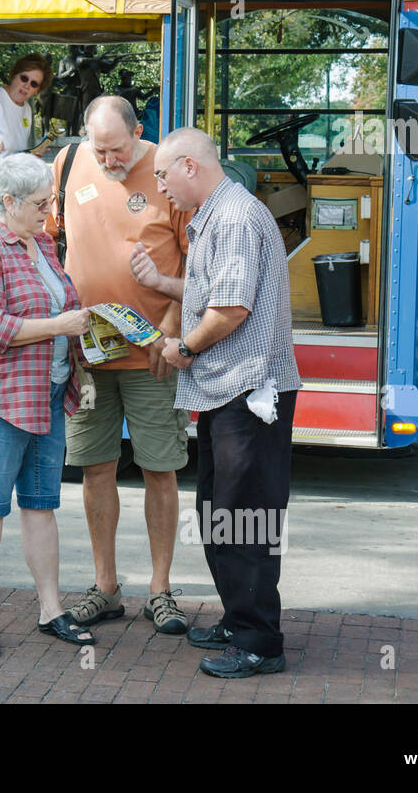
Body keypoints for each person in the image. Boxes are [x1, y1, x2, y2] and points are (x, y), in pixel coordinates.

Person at [132, 125, 302, 678]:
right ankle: (239, 618)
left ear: (189, 166)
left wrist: (183, 345)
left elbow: (230, 310)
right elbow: (216, 291)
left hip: (246, 390)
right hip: (232, 390)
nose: (159, 189)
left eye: (162, 175)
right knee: (220, 510)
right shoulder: (222, 215)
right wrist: (162, 281)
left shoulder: (230, 219)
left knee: (243, 516)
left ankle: (259, 641)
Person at [46, 95, 193, 637]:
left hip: (153, 351)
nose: (106, 159)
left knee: (160, 467)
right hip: (89, 352)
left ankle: (161, 590)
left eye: (116, 149)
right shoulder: (68, 163)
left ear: (138, 133)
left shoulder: (166, 171)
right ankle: (105, 587)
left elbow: (194, 259)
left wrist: (173, 332)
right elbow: (51, 238)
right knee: (95, 467)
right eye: (97, 148)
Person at [0, 152, 95, 657]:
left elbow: (67, 307)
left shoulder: (43, 244)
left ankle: (51, 608)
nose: (48, 211)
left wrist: (81, 361)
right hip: (0, 399)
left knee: (41, 506)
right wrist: (61, 328)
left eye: (51, 200)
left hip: (47, 393)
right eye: (40, 203)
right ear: (7, 201)